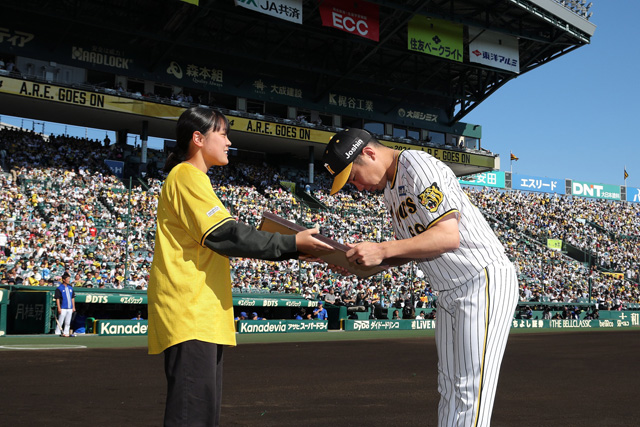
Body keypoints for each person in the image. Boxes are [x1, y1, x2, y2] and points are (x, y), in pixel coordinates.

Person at [147, 106, 332, 427]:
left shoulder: (194, 179)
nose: (229, 142)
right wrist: (291, 244)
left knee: (202, 417)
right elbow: (224, 235)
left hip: (201, 316)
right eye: (222, 134)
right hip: (190, 314)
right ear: (198, 138)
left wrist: (295, 249)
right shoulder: (186, 175)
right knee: (193, 418)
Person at [322, 128, 519, 427]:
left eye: (353, 176)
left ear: (369, 153)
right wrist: (358, 261)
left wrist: (382, 249)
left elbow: (447, 236)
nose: (357, 186)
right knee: (449, 386)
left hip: (482, 279)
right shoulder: (390, 191)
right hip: (448, 290)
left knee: (471, 389)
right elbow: (411, 249)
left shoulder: (418, 166)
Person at [54, 272, 76, 337]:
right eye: (68, 279)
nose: (69, 280)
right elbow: (57, 299)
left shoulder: (70, 288)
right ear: (64, 280)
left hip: (70, 308)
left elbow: (72, 298)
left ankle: (66, 333)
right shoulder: (59, 288)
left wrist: (73, 307)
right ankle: (57, 332)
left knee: (68, 322)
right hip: (63, 307)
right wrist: (59, 308)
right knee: (60, 321)